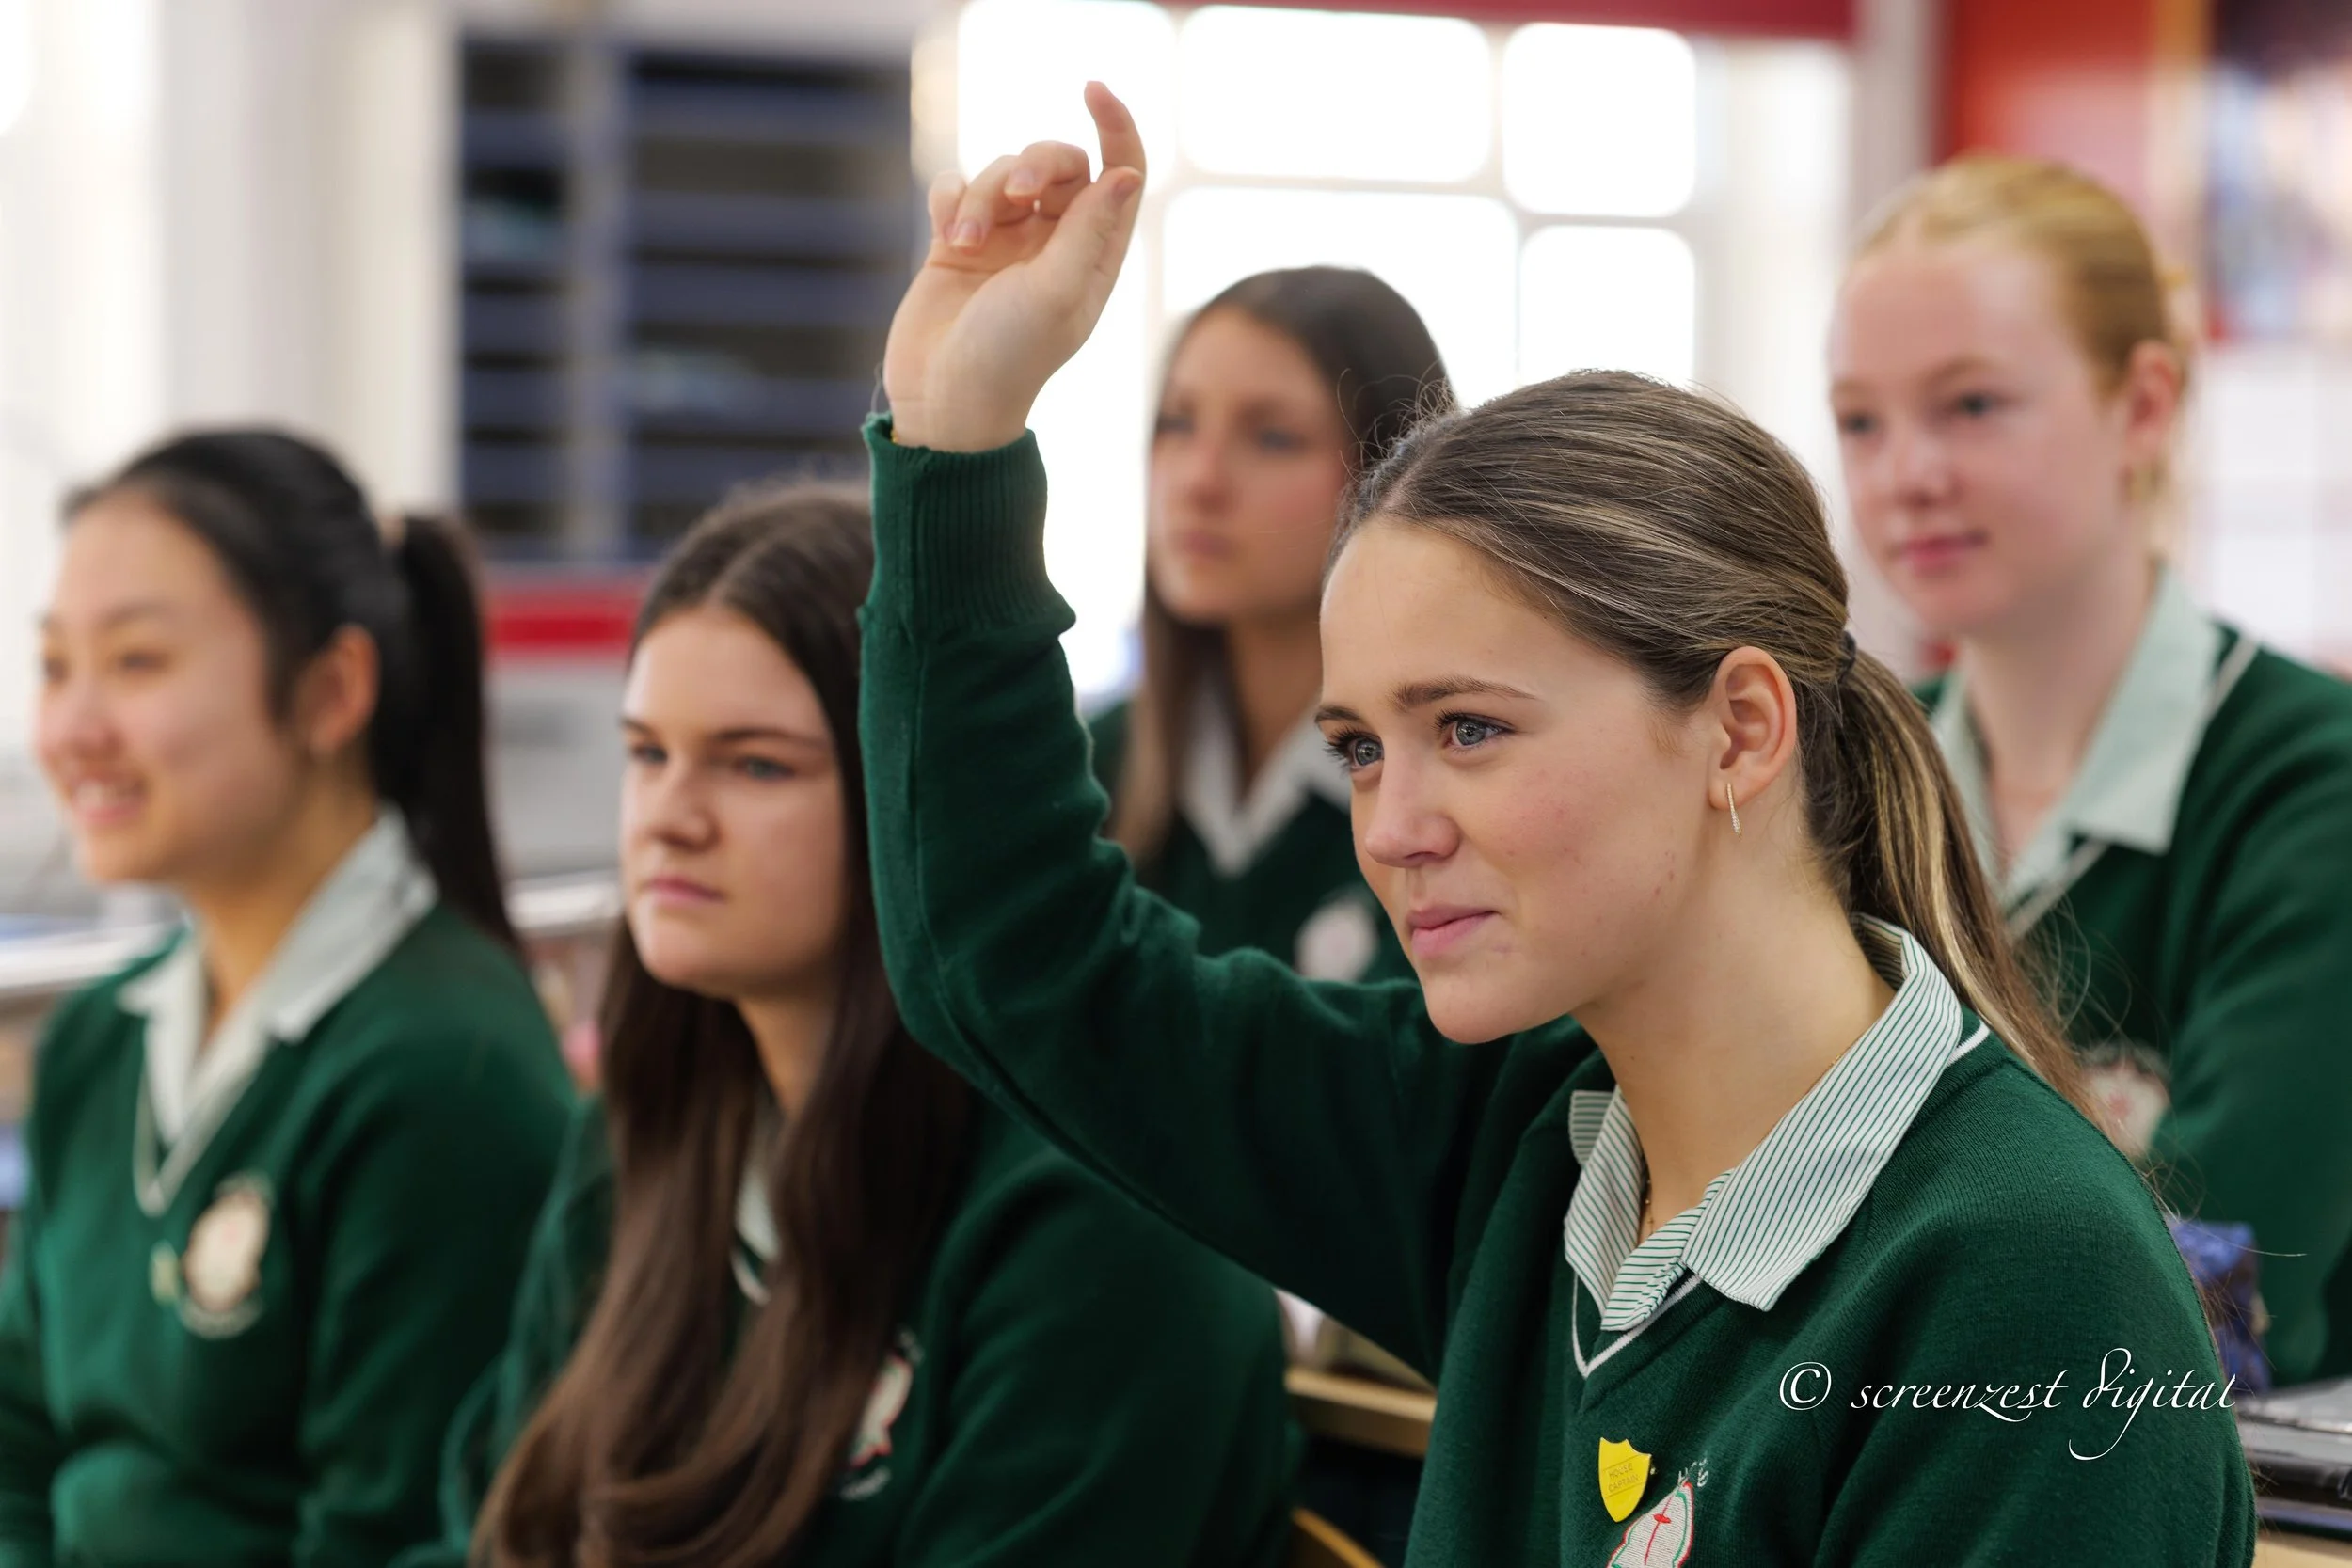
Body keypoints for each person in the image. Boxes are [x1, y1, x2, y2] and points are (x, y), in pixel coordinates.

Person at [860, 87, 2256, 1564]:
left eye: (1468, 728)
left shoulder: (2023, 1282)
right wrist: (958, 430)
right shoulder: (1524, 1139)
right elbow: (1008, 962)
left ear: (1740, 726)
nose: (1391, 824)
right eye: (1358, 748)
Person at [401, 483, 1295, 1568]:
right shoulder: (648, 1129)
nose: (671, 817)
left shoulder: (1102, 1215)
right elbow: (495, 1518)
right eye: (647, 752)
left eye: (755, 763)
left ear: (923, 795)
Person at [0, 430, 574, 1565]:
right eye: (56, 664)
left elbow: (399, 1537)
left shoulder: (447, 1069)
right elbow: (17, 1443)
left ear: (330, 690)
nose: (71, 730)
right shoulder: (97, 1043)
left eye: (137, 661)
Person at [1831, 153, 2352, 1386]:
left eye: (1972, 405)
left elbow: (2220, 1293)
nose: (1907, 473)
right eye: (1861, 418)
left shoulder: (2311, 784)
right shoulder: (1843, 777)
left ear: (2146, 407)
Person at [1097, 266, 1450, 985]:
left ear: (1394, 469)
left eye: (1273, 437)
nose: (1199, 479)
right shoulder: (1088, 768)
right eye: (1177, 423)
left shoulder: (1456, 792)